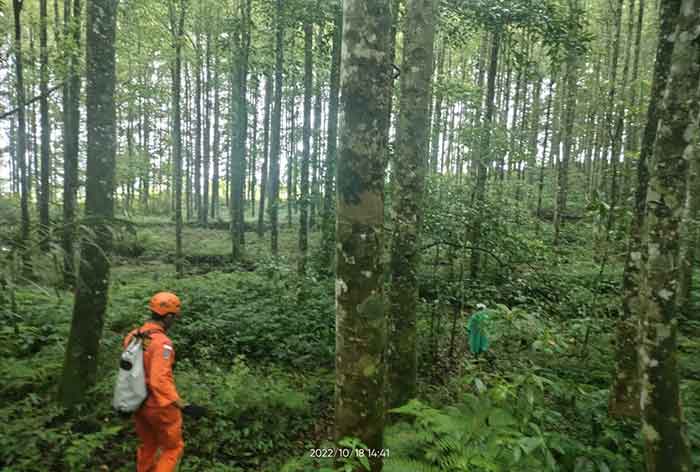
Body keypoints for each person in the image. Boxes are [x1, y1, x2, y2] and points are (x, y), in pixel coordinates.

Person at [124, 291, 204, 472]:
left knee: (148, 445)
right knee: (172, 448)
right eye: (174, 317)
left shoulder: (133, 336)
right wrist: (183, 405)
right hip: (158, 405)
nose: (174, 321)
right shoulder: (162, 343)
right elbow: (159, 380)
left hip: (137, 402)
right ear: (168, 316)